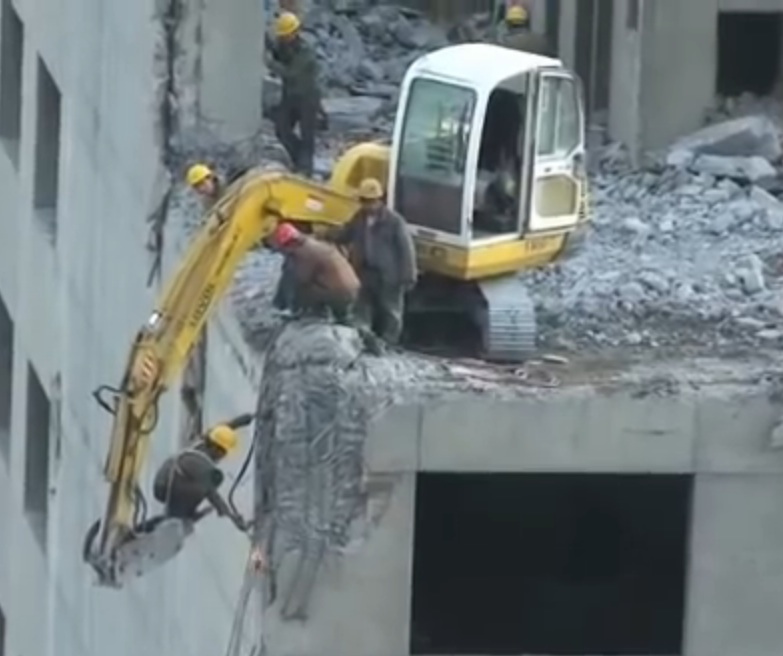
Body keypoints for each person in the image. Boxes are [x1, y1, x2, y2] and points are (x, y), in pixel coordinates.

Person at [330, 178, 417, 344]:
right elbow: (346, 234)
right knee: (362, 307)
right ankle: (364, 339)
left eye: (371, 201)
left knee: (390, 311)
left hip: (388, 276)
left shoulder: (394, 222)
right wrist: (329, 235)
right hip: (364, 271)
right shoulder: (359, 218)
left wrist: (408, 276)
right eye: (364, 201)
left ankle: (389, 343)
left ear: (380, 200)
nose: (367, 206)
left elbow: (406, 250)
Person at [152, 424, 249, 532]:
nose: (223, 457)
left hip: (166, 481)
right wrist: (231, 517)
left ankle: (170, 520)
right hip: (166, 486)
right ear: (216, 448)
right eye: (223, 453)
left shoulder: (199, 447)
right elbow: (213, 496)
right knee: (202, 487)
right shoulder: (202, 465)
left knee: (201, 485)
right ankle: (175, 521)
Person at [268, 12, 322, 177]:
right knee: (282, 129)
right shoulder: (283, 44)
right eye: (282, 36)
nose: (283, 39)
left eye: (286, 36)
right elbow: (276, 51)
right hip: (290, 97)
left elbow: (290, 73)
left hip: (308, 98)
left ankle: (306, 170)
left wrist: (270, 63)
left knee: (307, 137)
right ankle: (299, 159)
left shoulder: (306, 52)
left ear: (295, 33)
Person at [273, 222, 360, 323]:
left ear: (290, 243)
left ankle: (304, 314)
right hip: (352, 289)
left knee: (300, 286)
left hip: (339, 294)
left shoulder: (304, 252)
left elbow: (301, 279)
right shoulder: (314, 243)